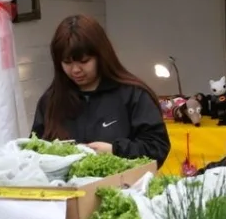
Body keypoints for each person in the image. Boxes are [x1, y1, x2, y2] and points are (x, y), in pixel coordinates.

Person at [31, 14, 169, 162]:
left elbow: (157, 147)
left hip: (123, 183)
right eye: (67, 62)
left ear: (101, 56)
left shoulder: (133, 95)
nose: (75, 70)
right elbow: (34, 151)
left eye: (84, 61)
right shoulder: (50, 101)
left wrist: (115, 151)